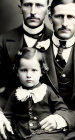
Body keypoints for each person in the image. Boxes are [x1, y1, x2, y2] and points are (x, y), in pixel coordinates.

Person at [39, 0, 75, 139]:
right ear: (49, 17)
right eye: (59, 16)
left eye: (70, 17)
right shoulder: (35, 51)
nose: (65, 23)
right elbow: (14, 91)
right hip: (41, 128)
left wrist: (65, 118)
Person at [0, 0, 52, 139]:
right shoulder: (3, 41)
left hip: (45, 125)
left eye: (39, 5)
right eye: (28, 4)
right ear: (20, 8)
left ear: (48, 9)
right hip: (8, 115)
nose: (33, 11)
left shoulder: (57, 40)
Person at [1, 47, 74, 140]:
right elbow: (8, 115)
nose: (28, 75)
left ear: (41, 72)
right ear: (17, 72)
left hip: (45, 132)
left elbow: (62, 108)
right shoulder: (16, 93)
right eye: (24, 70)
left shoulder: (47, 90)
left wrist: (56, 117)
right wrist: (6, 125)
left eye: (34, 70)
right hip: (21, 133)